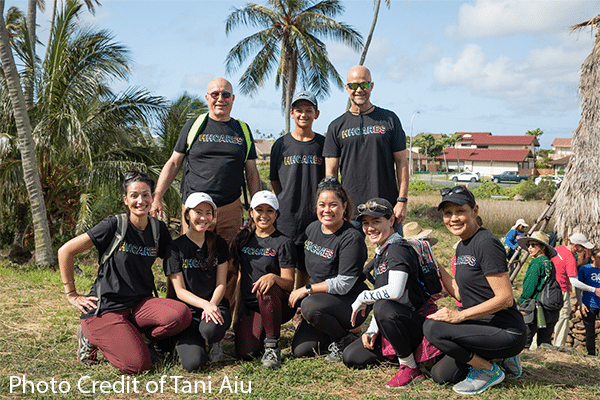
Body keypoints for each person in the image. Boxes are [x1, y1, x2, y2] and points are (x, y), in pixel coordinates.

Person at [58, 170, 192, 375]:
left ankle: (138, 338)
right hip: (106, 308)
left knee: (180, 315)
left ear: (153, 197)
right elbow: (65, 251)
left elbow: (175, 260)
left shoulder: (158, 230)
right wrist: (72, 294)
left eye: (146, 195)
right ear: (125, 199)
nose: (141, 200)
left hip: (139, 305)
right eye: (134, 195)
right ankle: (90, 336)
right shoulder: (114, 226)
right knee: (137, 366)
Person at [150, 77, 261, 313]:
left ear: (233, 99)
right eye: (215, 94)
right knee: (186, 263)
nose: (220, 99)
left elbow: (251, 172)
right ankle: (178, 315)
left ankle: (223, 317)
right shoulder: (193, 126)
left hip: (230, 207)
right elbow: (173, 163)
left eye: (226, 94)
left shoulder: (242, 129)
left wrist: (256, 206)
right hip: (195, 209)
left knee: (229, 263)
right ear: (207, 98)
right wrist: (157, 195)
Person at [423, 186, 527, 395]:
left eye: (460, 211)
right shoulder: (463, 245)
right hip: (480, 327)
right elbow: (461, 293)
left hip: (505, 330)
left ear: (474, 210)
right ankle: (500, 358)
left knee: (433, 328)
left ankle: (489, 369)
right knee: (440, 375)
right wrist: (432, 260)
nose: (453, 218)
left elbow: (505, 299)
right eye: (447, 213)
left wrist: (459, 316)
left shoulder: (486, 242)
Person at [341, 199, 433, 388]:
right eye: (365, 223)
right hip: (396, 320)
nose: (370, 228)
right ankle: (403, 353)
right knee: (352, 357)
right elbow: (384, 296)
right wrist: (373, 329)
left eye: (376, 222)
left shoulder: (397, 249)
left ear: (391, 221)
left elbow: (395, 292)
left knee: (382, 306)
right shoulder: (383, 250)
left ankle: (410, 367)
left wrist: (363, 297)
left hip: (413, 322)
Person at [289, 177, 368, 362]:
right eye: (322, 204)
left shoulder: (351, 238)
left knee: (308, 305)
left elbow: (344, 284)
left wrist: (307, 289)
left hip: (349, 302)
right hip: (323, 302)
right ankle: (332, 335)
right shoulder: (312, 229)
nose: (327, 210)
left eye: (333, 205)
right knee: (301, 350)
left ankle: (345, 339)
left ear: (344, 206)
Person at [323, 65, 409, 226]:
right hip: (350, 210)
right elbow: (331, 174)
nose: (359, 90)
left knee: (395, 250)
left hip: (387, 207)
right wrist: (335, 206)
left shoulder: (390, 120)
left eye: (364, 84)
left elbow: (402, 163)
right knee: (351, 252)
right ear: (346, 88)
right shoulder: (336, 126)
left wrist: (402, 201)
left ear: (372, 86)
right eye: (354, 85)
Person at [163, 193, 231, 371]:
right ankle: (187, 341)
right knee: (193, 364)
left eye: (208, 213)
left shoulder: (219, 243)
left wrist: (212, 305)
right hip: (188, 312)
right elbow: (179, 291)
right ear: (187, 215)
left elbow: (221, 284)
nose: (203, 218)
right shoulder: (175, 248)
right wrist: (203, 306)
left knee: (210, 330)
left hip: (215, 306)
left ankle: (215, 342)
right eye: (198, 212)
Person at [229, 191, 296, 369]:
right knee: (246, 353)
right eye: (259, 210)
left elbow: (289, 283)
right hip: (251, 306)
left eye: (269, 211)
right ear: (251, 212)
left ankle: (273, 345)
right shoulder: (244, 239)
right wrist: (237, 316)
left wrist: (273, 277)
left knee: (265, 287)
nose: (264, 215)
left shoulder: (283, 242)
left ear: (277, 214)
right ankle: (263, 331)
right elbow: (241, 278)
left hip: (276, 303)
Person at [270, 91, 325, 273]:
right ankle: (286, 302)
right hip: (286, 218)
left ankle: (301, 301)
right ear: (291, 113)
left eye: (309, 110)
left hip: (314, 216)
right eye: (299, 110)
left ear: (316, 114)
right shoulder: (280, 144)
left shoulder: (323, 144)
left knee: (307, 268)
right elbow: (275, 181)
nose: (304, 114)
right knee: (285, 268)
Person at [516, 231, 559, 348]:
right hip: (550, 307)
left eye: (533, 245)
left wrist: (523, 304)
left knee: (524, 343)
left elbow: (529, 287)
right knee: (544, 344)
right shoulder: (549, 263)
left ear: (543, 247)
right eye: (529, 245)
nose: (530, 248)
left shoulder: (536, 263)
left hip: (535, 307)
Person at [551, 232, 595, 347]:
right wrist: (593, 289)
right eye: (582, 247)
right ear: (576, 245)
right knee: (563, 316)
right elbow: (574, 281)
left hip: (550, 288)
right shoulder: (570, 257)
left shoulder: (557, 248)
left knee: (548, 316)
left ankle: (538, 344)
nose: (583, 249)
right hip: (562, 289)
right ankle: (558, 345)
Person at [578, 248, 600, 356]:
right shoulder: (584, 269)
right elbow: (578, 287)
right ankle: (591, 354)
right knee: (590, 331)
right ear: (592, 258)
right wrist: (581, 304)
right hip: (589, 304)